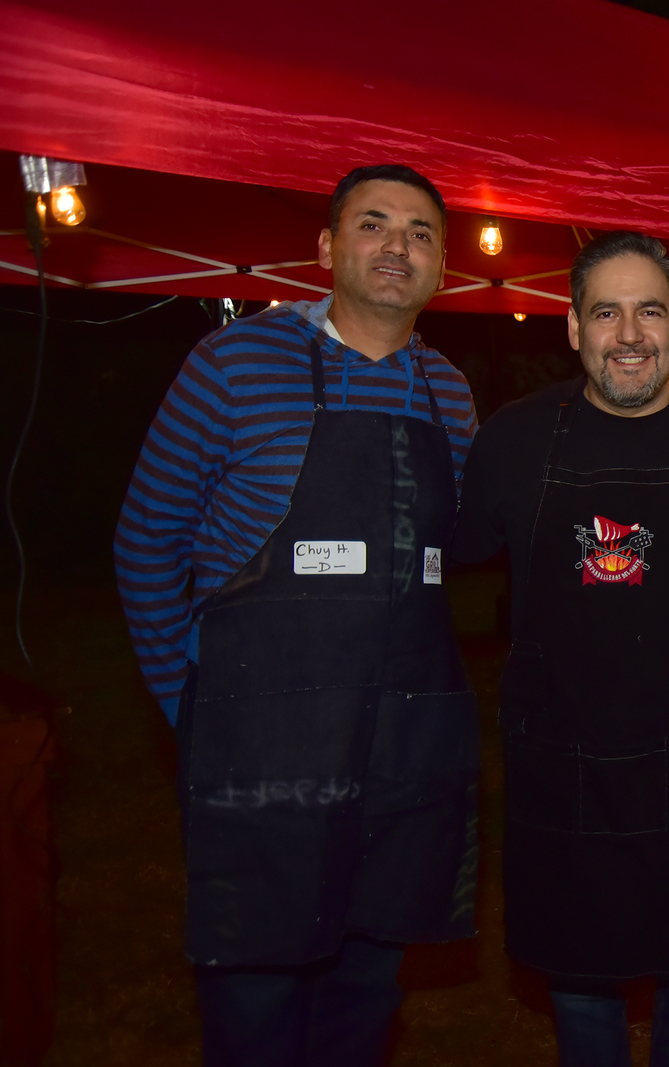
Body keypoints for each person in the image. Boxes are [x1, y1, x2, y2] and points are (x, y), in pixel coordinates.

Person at [114, 164, 480, 1067]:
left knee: (364, 1000)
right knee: (257, 1005)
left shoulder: (451, 394)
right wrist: (186, 705)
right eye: (373, 223)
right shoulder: (233, 365)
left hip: (394, 758)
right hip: (258, 752)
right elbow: (147, 542)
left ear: (442, 268)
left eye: (422, 233)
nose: (398, 246)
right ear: (326, 248)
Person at [452, 231, 669, 1066]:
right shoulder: (511, 441)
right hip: (561, 768)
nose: (629, 335)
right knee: (581, 992)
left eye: (649, 311)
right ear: (573, 327)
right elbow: (451, 557)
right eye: (606, 312)